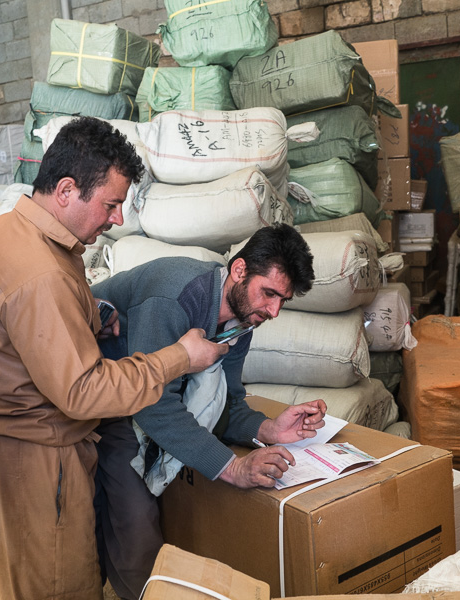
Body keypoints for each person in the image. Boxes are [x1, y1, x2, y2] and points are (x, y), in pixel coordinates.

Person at [0, 116, 228, 600]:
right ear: (65, 190)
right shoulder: (43, 274)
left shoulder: (6, 235)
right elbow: (83, 390)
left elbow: (24, 325)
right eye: (111, 204)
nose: (117, 219)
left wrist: (88, 313)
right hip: (32, 467)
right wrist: (178, 357)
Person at [92, 224, 327, 600]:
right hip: (104, 401)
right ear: (238, 271)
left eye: (283, 300)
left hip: (143, 400)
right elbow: (150, 404)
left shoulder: (242, 322)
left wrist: (268, 429)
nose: (274, 311)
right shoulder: (174, 296)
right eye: (269, 294)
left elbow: (229, 403)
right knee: (137, 526)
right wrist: (231, 468)